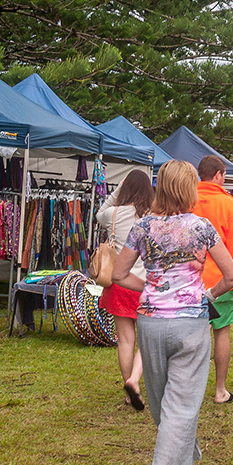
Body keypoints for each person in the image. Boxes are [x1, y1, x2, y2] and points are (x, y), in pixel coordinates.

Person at [113, 160, 233, 465]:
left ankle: (188, 463)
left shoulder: (142, 226)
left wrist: (153, 287)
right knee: (181, 405)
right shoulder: (201, 228)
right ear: (189, 190)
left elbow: (119, 274)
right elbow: (231, 276)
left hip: (150, 323)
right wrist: (207, 295)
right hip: (190, 323)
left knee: (161, 402)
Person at [192, 155, 233, 404]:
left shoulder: (186, 199)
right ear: (218, 175)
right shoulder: (227, 204)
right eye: (224, 174)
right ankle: (220, 390)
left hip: (189, 278)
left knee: (190, 336)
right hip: (220, 281)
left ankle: (188, 389)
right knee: (222, 332)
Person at [96, 170, 154, 410]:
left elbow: (99, 212)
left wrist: (117, 190)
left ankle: (130, 392)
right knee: (147, 340)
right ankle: (135, 380)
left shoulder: (113, 214)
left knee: (125, 341)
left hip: (120, 282)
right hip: (146, 284)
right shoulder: (152, 216)